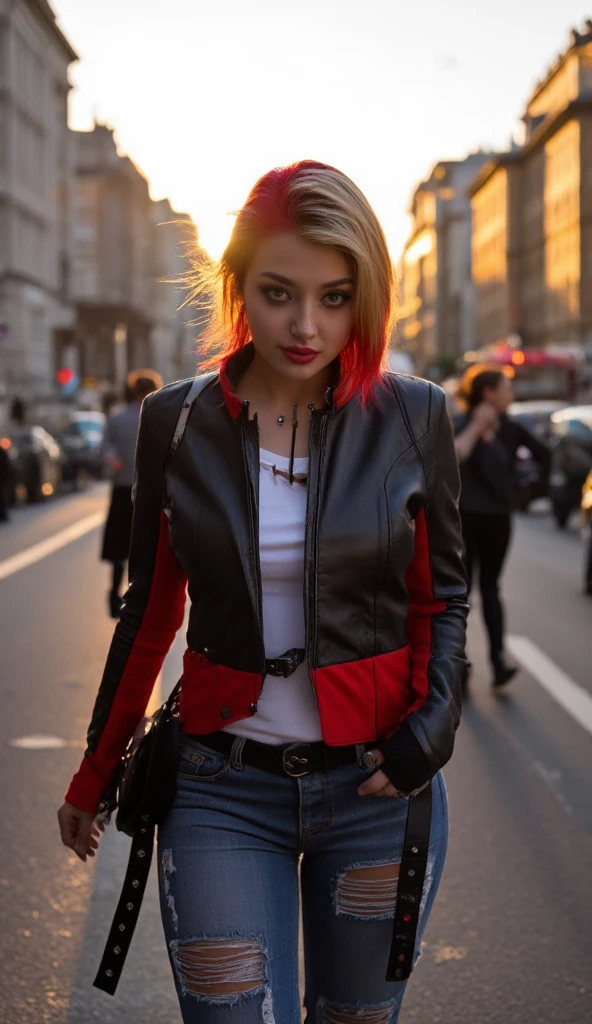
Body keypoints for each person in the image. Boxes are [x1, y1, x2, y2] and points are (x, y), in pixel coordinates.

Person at [58, 161, 468, 1023]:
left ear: (366, 296)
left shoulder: (414, 416)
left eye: (334, 297)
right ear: (239, 284)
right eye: (280, 293)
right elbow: (151, 609)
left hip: (375, 793)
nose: (307, 326)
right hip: (218, 789)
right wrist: (96, 771)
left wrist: (427, 734)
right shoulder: (174, 421)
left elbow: (442, 597)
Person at [454, 365, 550, 688]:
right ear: (488, 393)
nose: (511, 394)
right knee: (459, 593)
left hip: (496, 520)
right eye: (505, 388)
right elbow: (448, 460)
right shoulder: (459, 423)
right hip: (462, 521)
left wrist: (525, 493)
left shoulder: (510, 429)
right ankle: (459, 663)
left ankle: (497, 660)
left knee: (490, 589)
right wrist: (478, 429)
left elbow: (545, 457)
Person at [100, 368, 163, 617]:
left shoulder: (117, 418)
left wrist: (113, 459)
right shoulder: (160, 417)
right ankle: (143, 597)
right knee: (149, 546)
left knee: (118, 547)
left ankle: (114, 596)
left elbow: (105, 447)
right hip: (153, 492)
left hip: (123, 488)